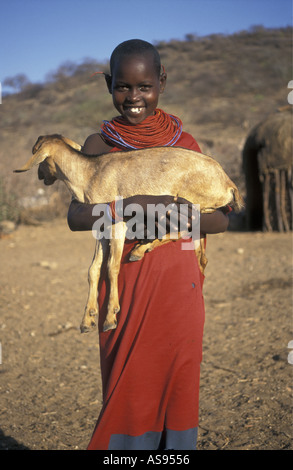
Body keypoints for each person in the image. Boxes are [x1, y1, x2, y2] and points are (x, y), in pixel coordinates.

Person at [67, 39, 229, 450]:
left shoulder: (184, 145)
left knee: (178, 381)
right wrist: (134, 206)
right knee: (129, 381)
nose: (134, 98)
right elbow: (77, 216)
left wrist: (160, 209)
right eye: (123, 86)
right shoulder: (98, 147)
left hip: (180, 282)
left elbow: (218, 219)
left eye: (144, 87)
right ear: (108, 84)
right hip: (124, 282)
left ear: (162, 82)